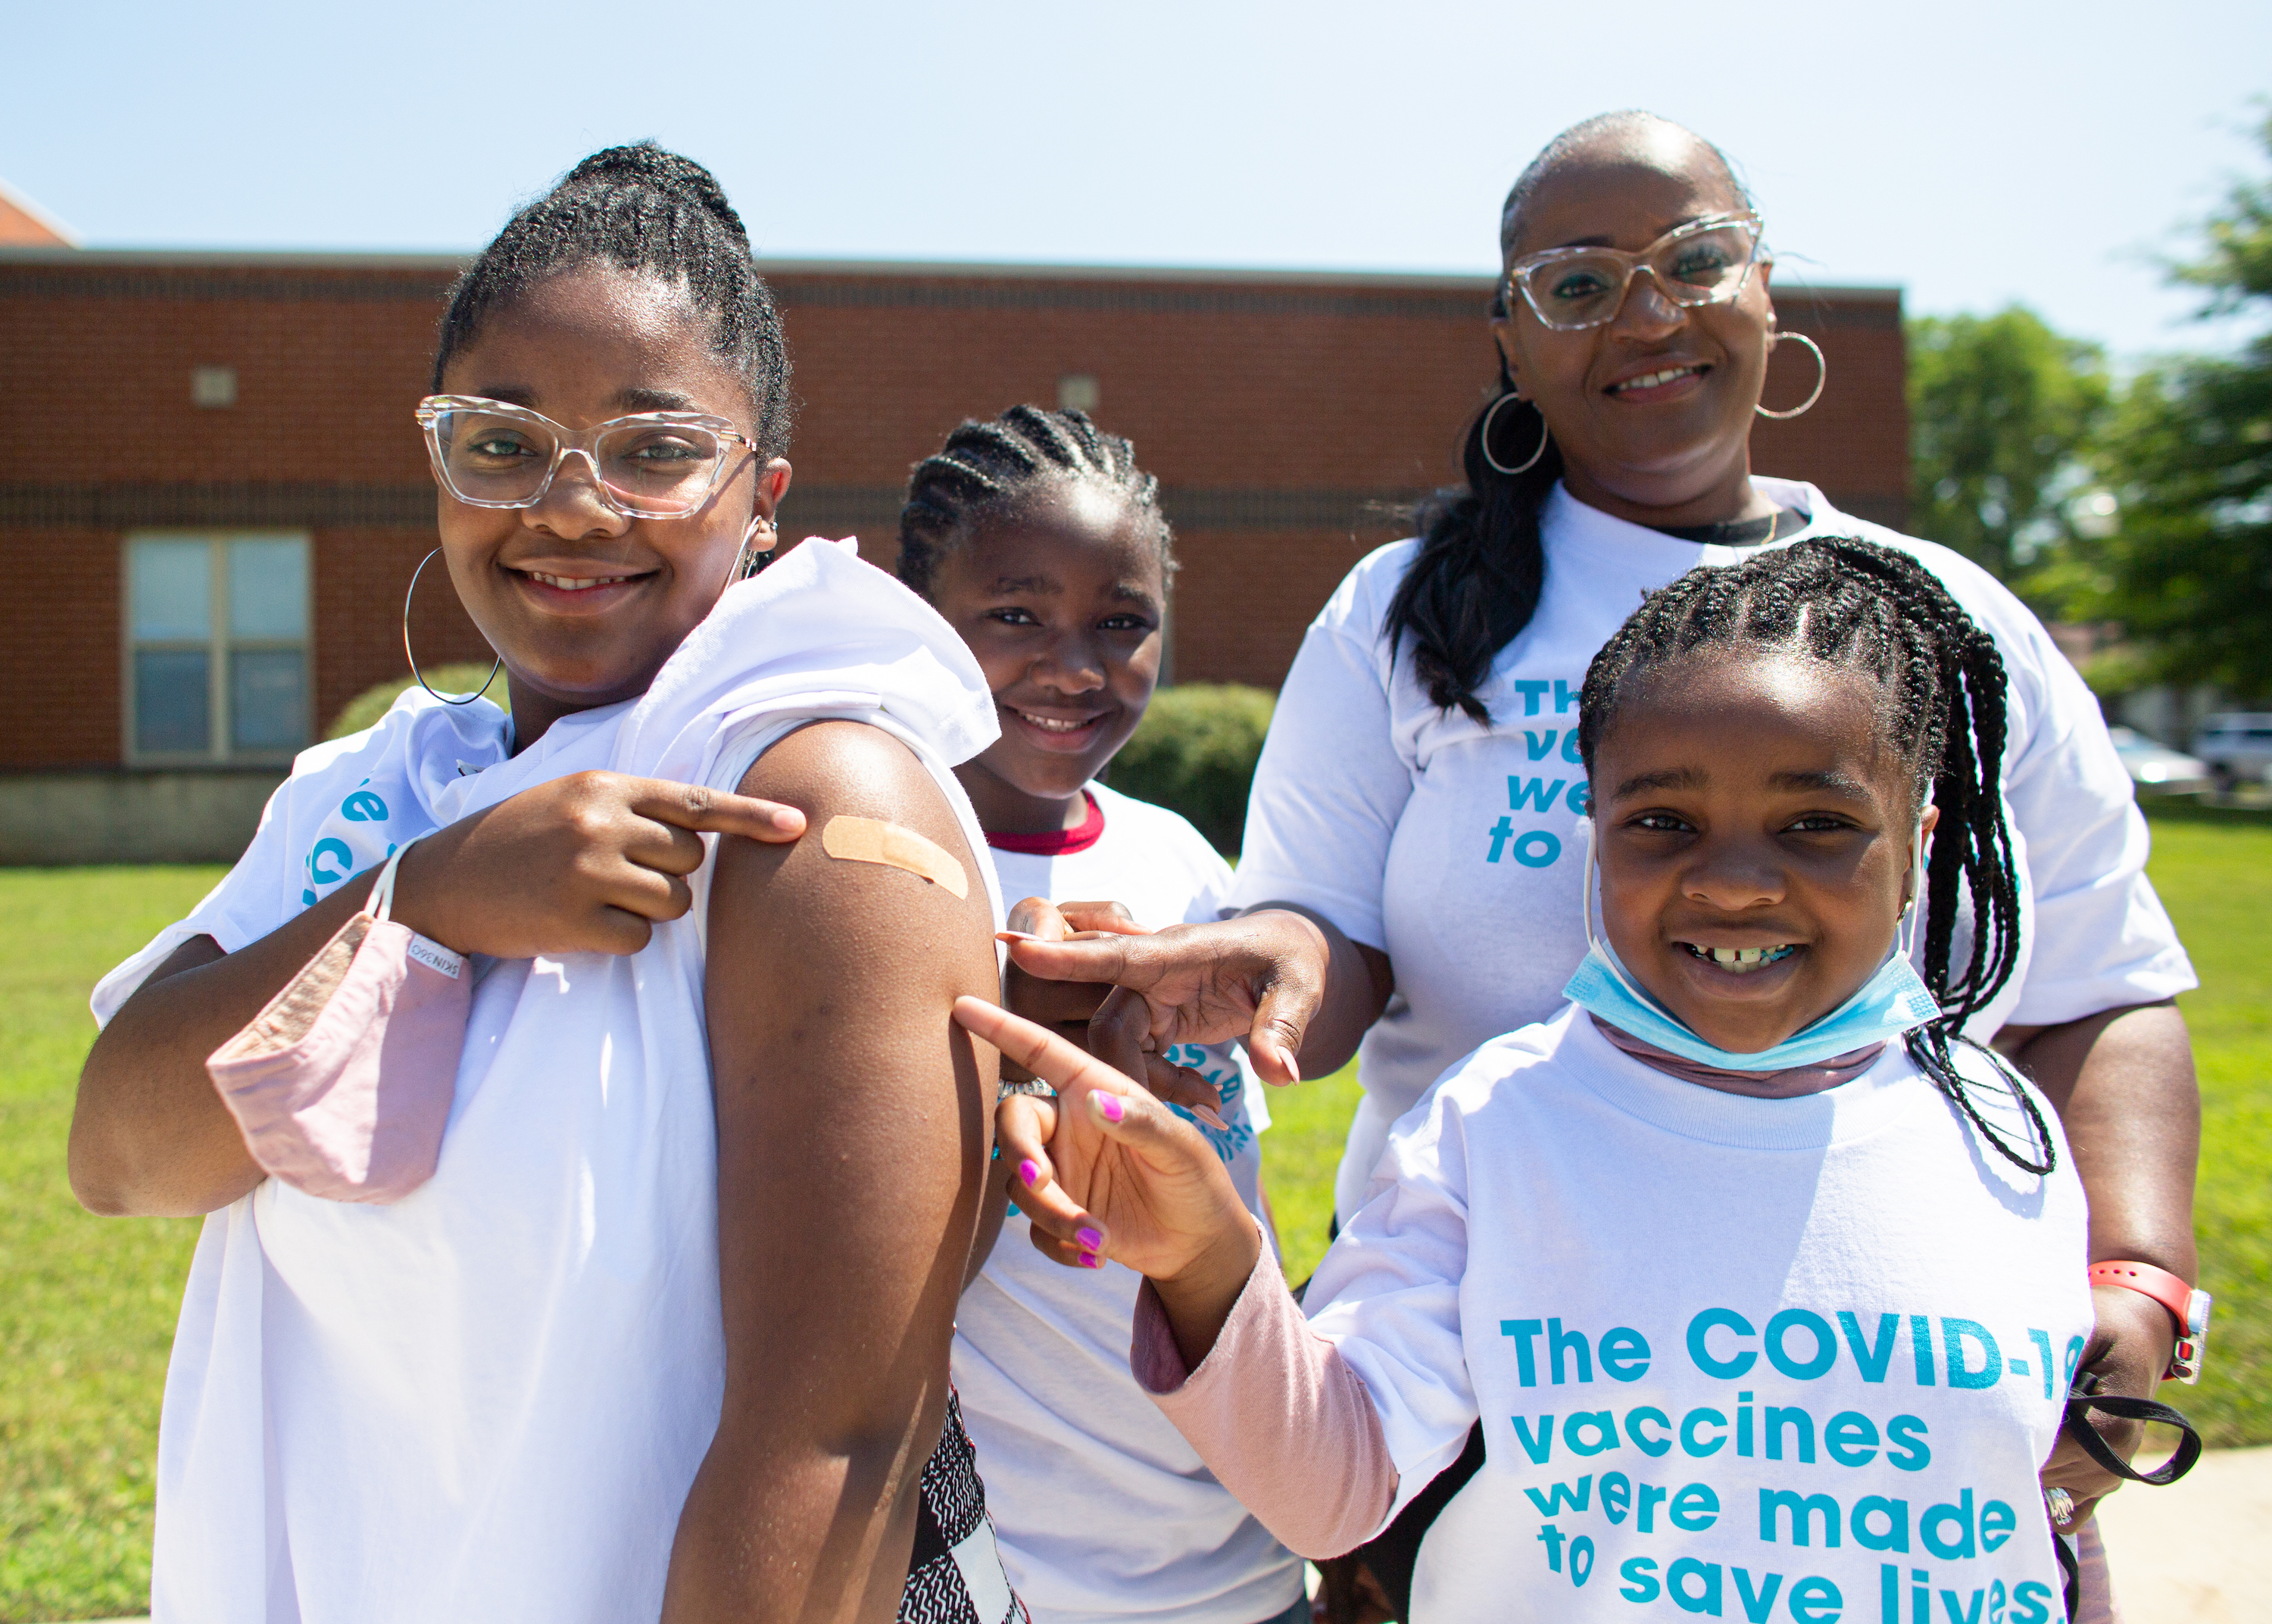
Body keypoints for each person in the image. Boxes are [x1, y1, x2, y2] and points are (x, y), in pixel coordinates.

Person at [1003, 111, 2199, 1611]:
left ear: (1768, 288)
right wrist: (1266, 971)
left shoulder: (1946, 623)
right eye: (1577, 282)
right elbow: (1327, 919)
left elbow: (2109, 982)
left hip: (1881, 1399)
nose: (1649, 313)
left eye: (1695, 260)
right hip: (1498, 1367)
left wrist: (2137, 1279)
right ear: (1510, 333)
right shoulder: (1410, 612)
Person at [71, 145, 1021, 1624]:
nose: (573, 509)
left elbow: (836, 1444)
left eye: (652, 450)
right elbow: (125, 1149)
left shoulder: (820, 807)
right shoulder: (373, 796)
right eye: (503, 445)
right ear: (438, 461)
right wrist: (426, 894)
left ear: (761, 492)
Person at [976, 538, 2093, 1624]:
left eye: (1818, 823)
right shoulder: (1493, 1127)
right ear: (1596, 837)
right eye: (1664, 821)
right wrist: (1204, 1254)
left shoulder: (2003, 1133)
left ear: (1916, 837)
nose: (1741, 881)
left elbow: (2042, 1520)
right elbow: (1332, 1486)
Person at [897, 405, 1309, 1624]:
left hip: (1237, 1547)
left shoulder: (1179, 859)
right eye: (1016, 616)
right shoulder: (884, 866)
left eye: (1120, 623)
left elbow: (1242, 1190)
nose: (1075, 666)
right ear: (926, 623)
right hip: (1020, 1564)